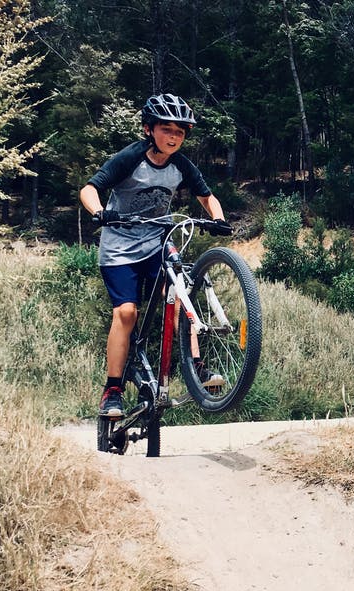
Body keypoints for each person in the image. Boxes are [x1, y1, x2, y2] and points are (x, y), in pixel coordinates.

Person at [80, 93, 234, 418]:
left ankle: (197, 369)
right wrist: (98, 212)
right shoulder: (131, 157)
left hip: (156, 243)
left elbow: (207, 197)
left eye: (180, 131)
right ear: (149, 129)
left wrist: (218, 219)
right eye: (167, 129)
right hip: (119, 247)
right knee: (125, 314)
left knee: (179, 299)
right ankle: (113, 390)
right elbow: (89, 189)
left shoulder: (181, 165)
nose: (174, 136)